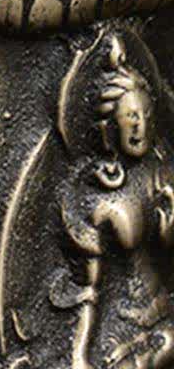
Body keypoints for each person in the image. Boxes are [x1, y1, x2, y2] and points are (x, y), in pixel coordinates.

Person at [54, 35, 174, 369]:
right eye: (131, 117)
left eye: (146, 115)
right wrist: (79, 354)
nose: (140, 127)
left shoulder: (162, 176)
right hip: (117, 328)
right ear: (109, 126)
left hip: (163, 311)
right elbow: (86, 291)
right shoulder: (94, 194)